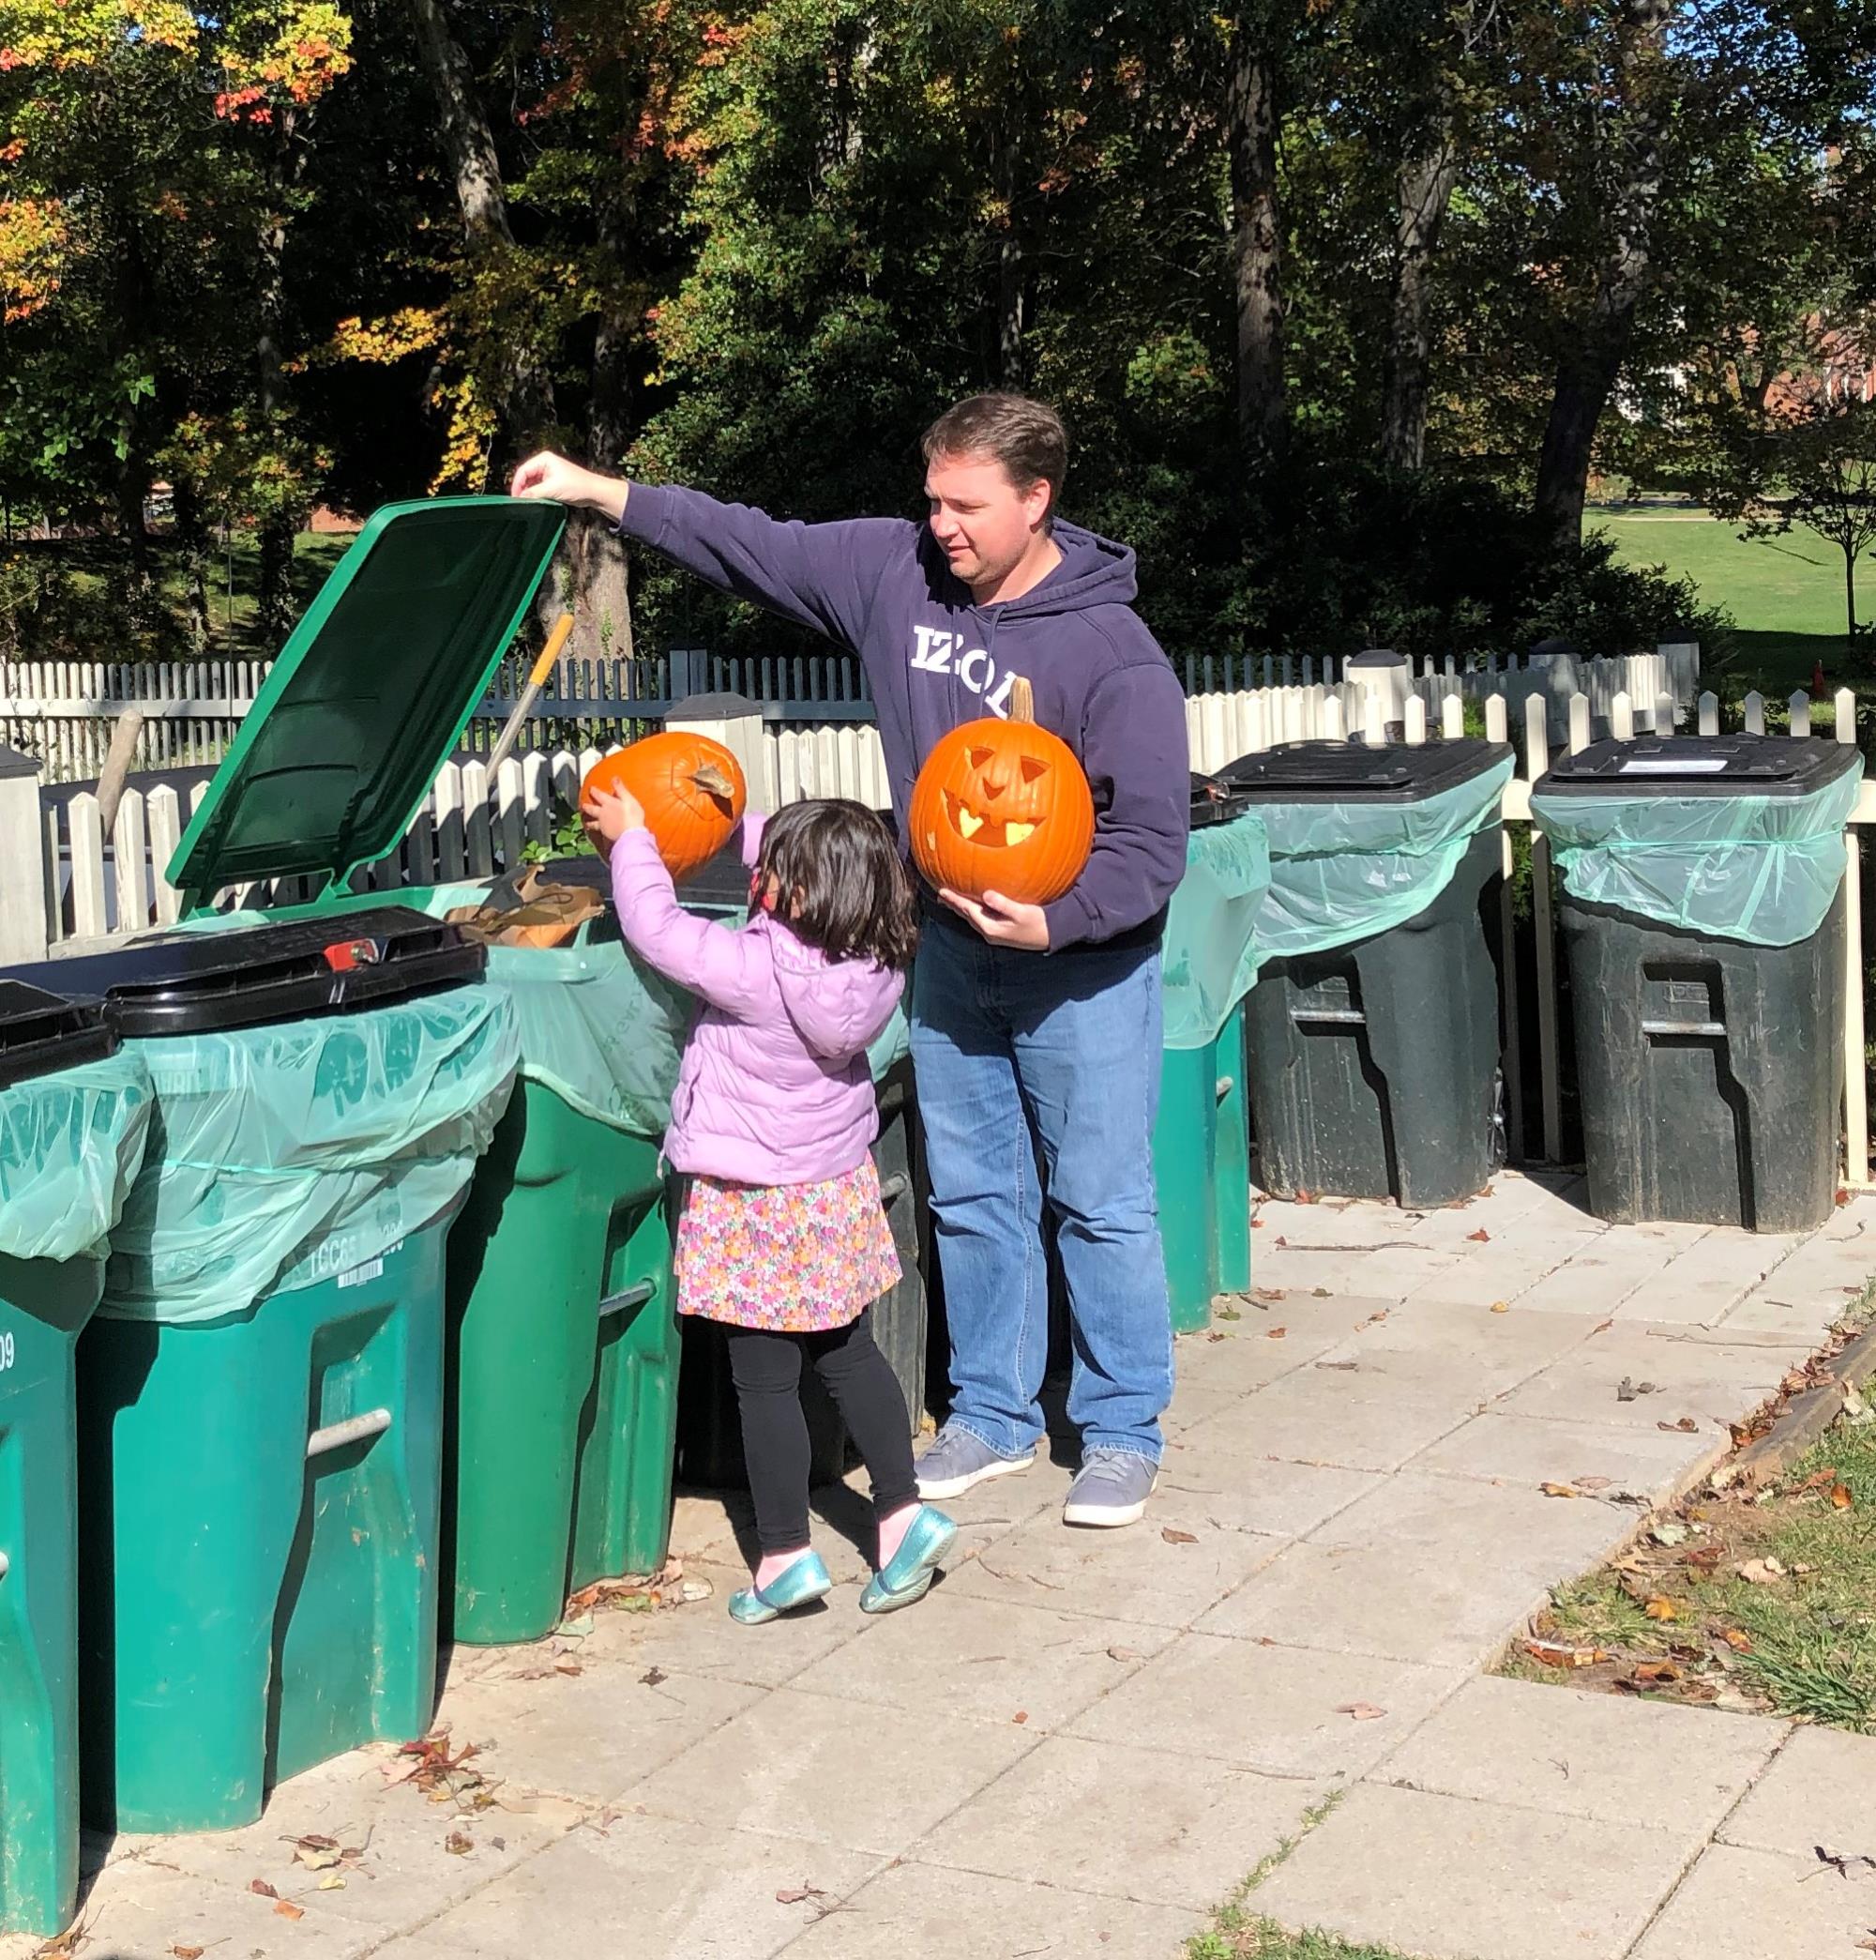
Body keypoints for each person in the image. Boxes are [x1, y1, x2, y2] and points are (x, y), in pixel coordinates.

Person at [515, 390, 1190, 1530]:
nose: (944, 527)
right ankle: (991, 1411)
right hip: (942, 949)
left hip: (1078, 966)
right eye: (933, 500)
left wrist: (1060, 921)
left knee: (1098, 1200)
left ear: (1036, 500)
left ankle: (1123, 1427)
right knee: (973, 1191)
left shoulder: (1109, 653)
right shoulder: (895, 574)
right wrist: (598, 491)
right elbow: (748, 541)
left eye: (967, 506)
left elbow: (1150, 840)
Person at [586, 784, 956, 1622]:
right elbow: (817, 863)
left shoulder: (754, 971)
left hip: (753, 1199)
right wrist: (728, 821)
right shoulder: (877, 960)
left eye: (772, 870)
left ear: (792, 892)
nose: (758, 877)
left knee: (762, 1378)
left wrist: (635, 841)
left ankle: (783, 1555)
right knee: (848, 1351)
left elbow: (657, 930)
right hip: (831, 1189)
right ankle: (902, 1512)